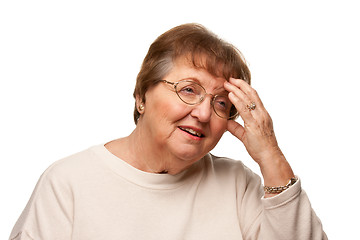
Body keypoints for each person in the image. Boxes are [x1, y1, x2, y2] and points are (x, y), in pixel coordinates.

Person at [9, 23, 327, 240]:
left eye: (220, 103)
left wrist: (269, 154)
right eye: (189, 90)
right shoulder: (68, 182)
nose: (204, 113)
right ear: (141, 96)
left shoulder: (237, 184)